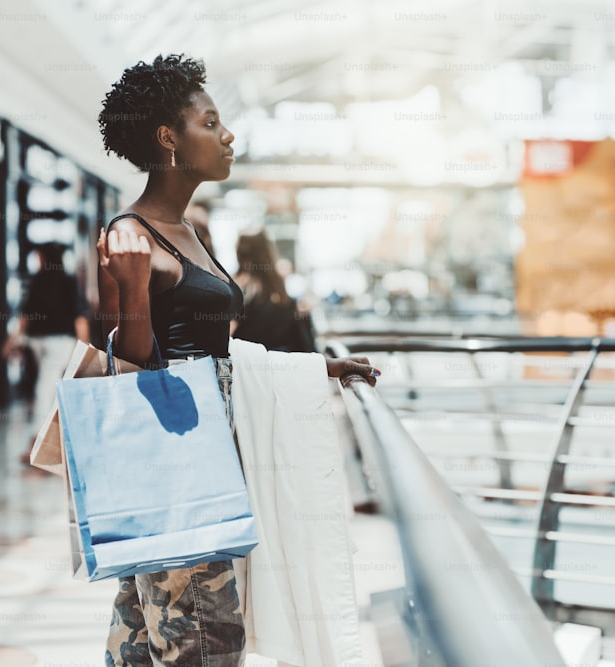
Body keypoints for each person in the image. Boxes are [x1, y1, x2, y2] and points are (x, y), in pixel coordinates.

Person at [96, 54, 378, 666]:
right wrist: (133, 290)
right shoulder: (132, 235)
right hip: (178, 470)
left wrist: (322, 367)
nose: (228, 135)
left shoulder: (186, 231)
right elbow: (135, 364)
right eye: (210, 121)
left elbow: (219, 352)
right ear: (169, 137)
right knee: (200, 636)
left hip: (205, 461)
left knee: (148, 637)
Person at [2, 243, 88, 462]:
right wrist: (84, 346)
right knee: (48, 390)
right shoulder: (63, 281)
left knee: (44, 390)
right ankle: (51, 445)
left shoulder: (40, 281)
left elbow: (25, 317)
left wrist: (11, 342)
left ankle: (38, 444)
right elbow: (78, 316)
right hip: (52, 343)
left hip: (51, 344)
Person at [233, 229, 317, 353]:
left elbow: (227, 336)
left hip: (249, 363)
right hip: (284, 362)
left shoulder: (238, 288)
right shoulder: (279, 288)